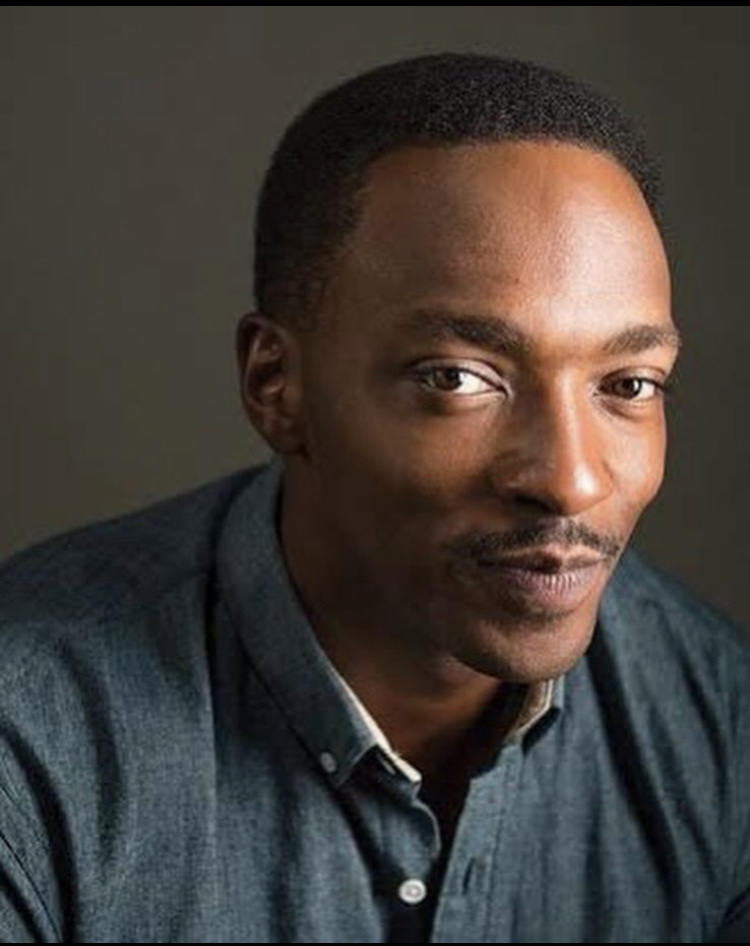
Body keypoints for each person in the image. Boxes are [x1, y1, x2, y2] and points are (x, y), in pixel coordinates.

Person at [0, 52, 748, 944]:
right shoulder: (29, 739)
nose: (570, 480)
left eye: (628, 385)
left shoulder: (723, 727)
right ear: (276, 386)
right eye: (457, 377)